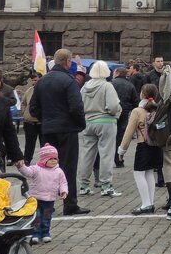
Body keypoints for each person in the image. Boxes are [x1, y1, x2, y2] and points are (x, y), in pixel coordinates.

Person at [29, 49, 89, 216]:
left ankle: (46, 203)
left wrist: (46, 119)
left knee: (47, 168)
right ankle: (70, 205)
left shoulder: (42, 82)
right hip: (67, 130)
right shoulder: (69, 81)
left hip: (47, 130)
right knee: (68, 167)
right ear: (68, 62)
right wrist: (79, 124)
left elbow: (33, 108)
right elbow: (77, 107)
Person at [78, 61, 122, 197]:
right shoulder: (107, 86)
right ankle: (106, 185)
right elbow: (113, 106)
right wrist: (116, 113)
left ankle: (84, 185)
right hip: (106, 121)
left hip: (88, 122)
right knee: (106, 154)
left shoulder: (85, 86)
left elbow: (79, 103)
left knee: (86, 154)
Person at [118, 83, 163, 215]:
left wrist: (122, 150)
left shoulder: (137, 111)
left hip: (143, 145)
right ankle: (150, 202)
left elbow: (128, 132)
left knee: (138, 173)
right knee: (149, 173)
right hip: (156, 145)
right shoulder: (158, 108)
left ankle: (146, 203)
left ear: (142, 94)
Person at [15, 143, 68, 244]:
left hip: (49, 199)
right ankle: (35, 234)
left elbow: (63, 182)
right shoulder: (36, 169)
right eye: (50, 159)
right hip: (36, 198)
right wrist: (21, 167)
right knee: (36, 217)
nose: (53, 161)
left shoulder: (59, 171)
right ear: (44, 159)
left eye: (55, 159)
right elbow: (27, 172)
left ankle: (45, 234)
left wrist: (63, 191)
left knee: (46, 218)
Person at [110, 67, 139, 169]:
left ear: (117, 73)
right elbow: (136, 102)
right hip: (125, 113)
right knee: (121, 137)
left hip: (111, 113)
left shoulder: (111, 84)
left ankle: (107, 160)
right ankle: (118, 159)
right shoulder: (130, 85)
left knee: (109, 137)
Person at [17, 70, 43, 163]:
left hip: (41, 122)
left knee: (44, 144)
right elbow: (23, 102)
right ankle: (27, 160)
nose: (34, 82)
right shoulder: (29, 90)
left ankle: (45, 160)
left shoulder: (44, 90)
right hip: (29, 122)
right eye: (33, 80)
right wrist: (24, 112)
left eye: (36, 80)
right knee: (29, 144)